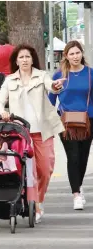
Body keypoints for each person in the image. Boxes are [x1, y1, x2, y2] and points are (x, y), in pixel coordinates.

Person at [0, 44, 65, 223]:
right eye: (21, 57)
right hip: (19, 133)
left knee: (45, 169)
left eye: (28, 57)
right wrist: (1, 112)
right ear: (16, 61)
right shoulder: (9, 80)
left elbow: (51, 86)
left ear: (33, 59)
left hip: (42, 130)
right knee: (25, 171)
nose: (25, 60)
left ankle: (38, 200)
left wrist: (56, 86)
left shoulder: (42, 76)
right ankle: (32, 203)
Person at [49, 40, 93, 210]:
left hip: (88, 120)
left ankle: (79, 185)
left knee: (83, 156)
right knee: (73, 156)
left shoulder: (90, 74)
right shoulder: (59, 75)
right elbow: (50, 100)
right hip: (66, 121)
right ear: (66, 56)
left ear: (82, 54)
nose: (75, 56)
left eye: (78, 53)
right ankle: (76, 194)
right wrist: (55, 89)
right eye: (72, 53)